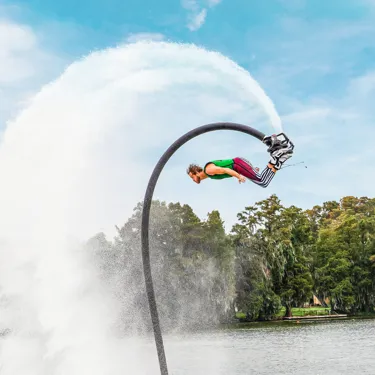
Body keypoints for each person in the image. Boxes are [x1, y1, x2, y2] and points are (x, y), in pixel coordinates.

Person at [186, 133, 294, 188]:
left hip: (238, 164)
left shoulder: (208, 170)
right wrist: (247, 170)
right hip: (239, 165)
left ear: (196, 172)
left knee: (262, 181)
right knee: (263, 182)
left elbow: (226, 170)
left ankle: (275, 158)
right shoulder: (209, 175)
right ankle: (280, 159)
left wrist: (239, 176)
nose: (193, 180)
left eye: (192, 177)